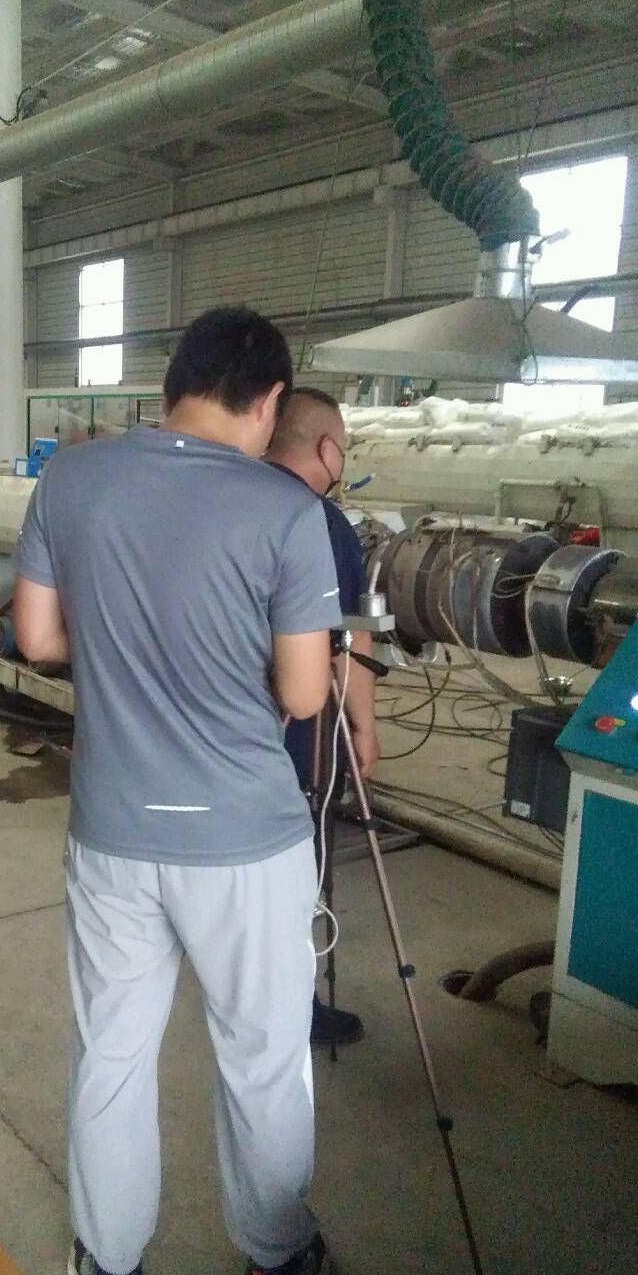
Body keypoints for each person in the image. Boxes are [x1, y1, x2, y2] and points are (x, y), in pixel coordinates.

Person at [13, 307, 342, 1275]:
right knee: (263, 1058)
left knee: (112, 1053)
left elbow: (37, 636)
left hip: (114, 827)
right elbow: (304, 694)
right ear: (271, 401)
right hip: (247, 840)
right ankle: (274, 1269)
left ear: (173, 384)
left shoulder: (72, 478)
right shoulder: (286, 511)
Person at [266, 388, 381, 1047]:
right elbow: (350, 639)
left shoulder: (226, 503)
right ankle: (292, 1007)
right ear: (325, 448)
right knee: (293, 872)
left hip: (213, 737)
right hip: (295, 741)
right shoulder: (322, 523)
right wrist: (364, 727)